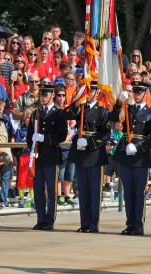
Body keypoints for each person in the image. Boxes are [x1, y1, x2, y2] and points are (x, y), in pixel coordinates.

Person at [110, 81, 151, 236]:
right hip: (126, 154)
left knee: (139, 192)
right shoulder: (127, 109)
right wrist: (119, 102)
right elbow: (112, 119)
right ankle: (130, 224)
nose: (137, 95)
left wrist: (139, 147)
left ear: (145, 93)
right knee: (128, 192)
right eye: (135, 92)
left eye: (139, 92)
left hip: (140, 157)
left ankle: (138, 224)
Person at [62, 81, 110, 233]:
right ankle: (84, 222)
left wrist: (90, 143)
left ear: (97, 93)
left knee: (94, 191)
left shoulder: (102, 111)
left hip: (94, 153)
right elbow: (66, 114)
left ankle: (93, 224)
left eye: (91, 91)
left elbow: (104, 134)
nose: (88, 94)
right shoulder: (80, 108)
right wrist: (77, 102)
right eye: (86, 91)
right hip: (80, 152)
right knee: (82, 190)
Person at [27, 83, 67, 230]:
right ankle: (40, 219)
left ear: (52, 95)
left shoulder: (59, 113)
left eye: (45, 95)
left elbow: (61, 135)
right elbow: (30, 134)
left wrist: (45, 138)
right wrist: (32, 147)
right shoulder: (35, 113)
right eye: (41, 95)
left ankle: (50, 220)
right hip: (38, 156)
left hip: (51, 155)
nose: (43, 97)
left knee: (51, 190)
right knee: (38, 190)